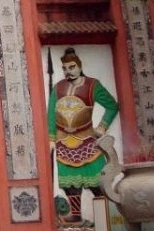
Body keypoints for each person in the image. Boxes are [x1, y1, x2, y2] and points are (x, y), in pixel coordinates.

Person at [48, 47, 119, 223]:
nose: (68, 71)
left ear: (79, 66)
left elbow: (112, 105)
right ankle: (76, 215)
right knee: (70, 184)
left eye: (71, 67)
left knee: (96, 182)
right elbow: (50, 114)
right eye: (64, 68)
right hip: (64, 141)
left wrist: (102, 127)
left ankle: (103, 219)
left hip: (87, 140)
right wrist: (51, 139)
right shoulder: (58, 88)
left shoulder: (92, 85)